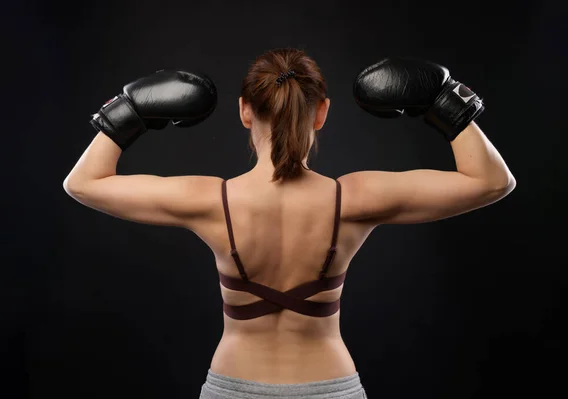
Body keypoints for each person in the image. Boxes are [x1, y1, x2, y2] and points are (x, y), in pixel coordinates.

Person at [63, 48, 516, 399]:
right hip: (330, 386)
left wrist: (126, 113)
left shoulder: (210, 200)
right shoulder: (354, 199)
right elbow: (492, 181)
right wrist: (446, 100)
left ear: (244, 112)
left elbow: (83, 183)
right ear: (321, 112)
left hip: (233, 386)